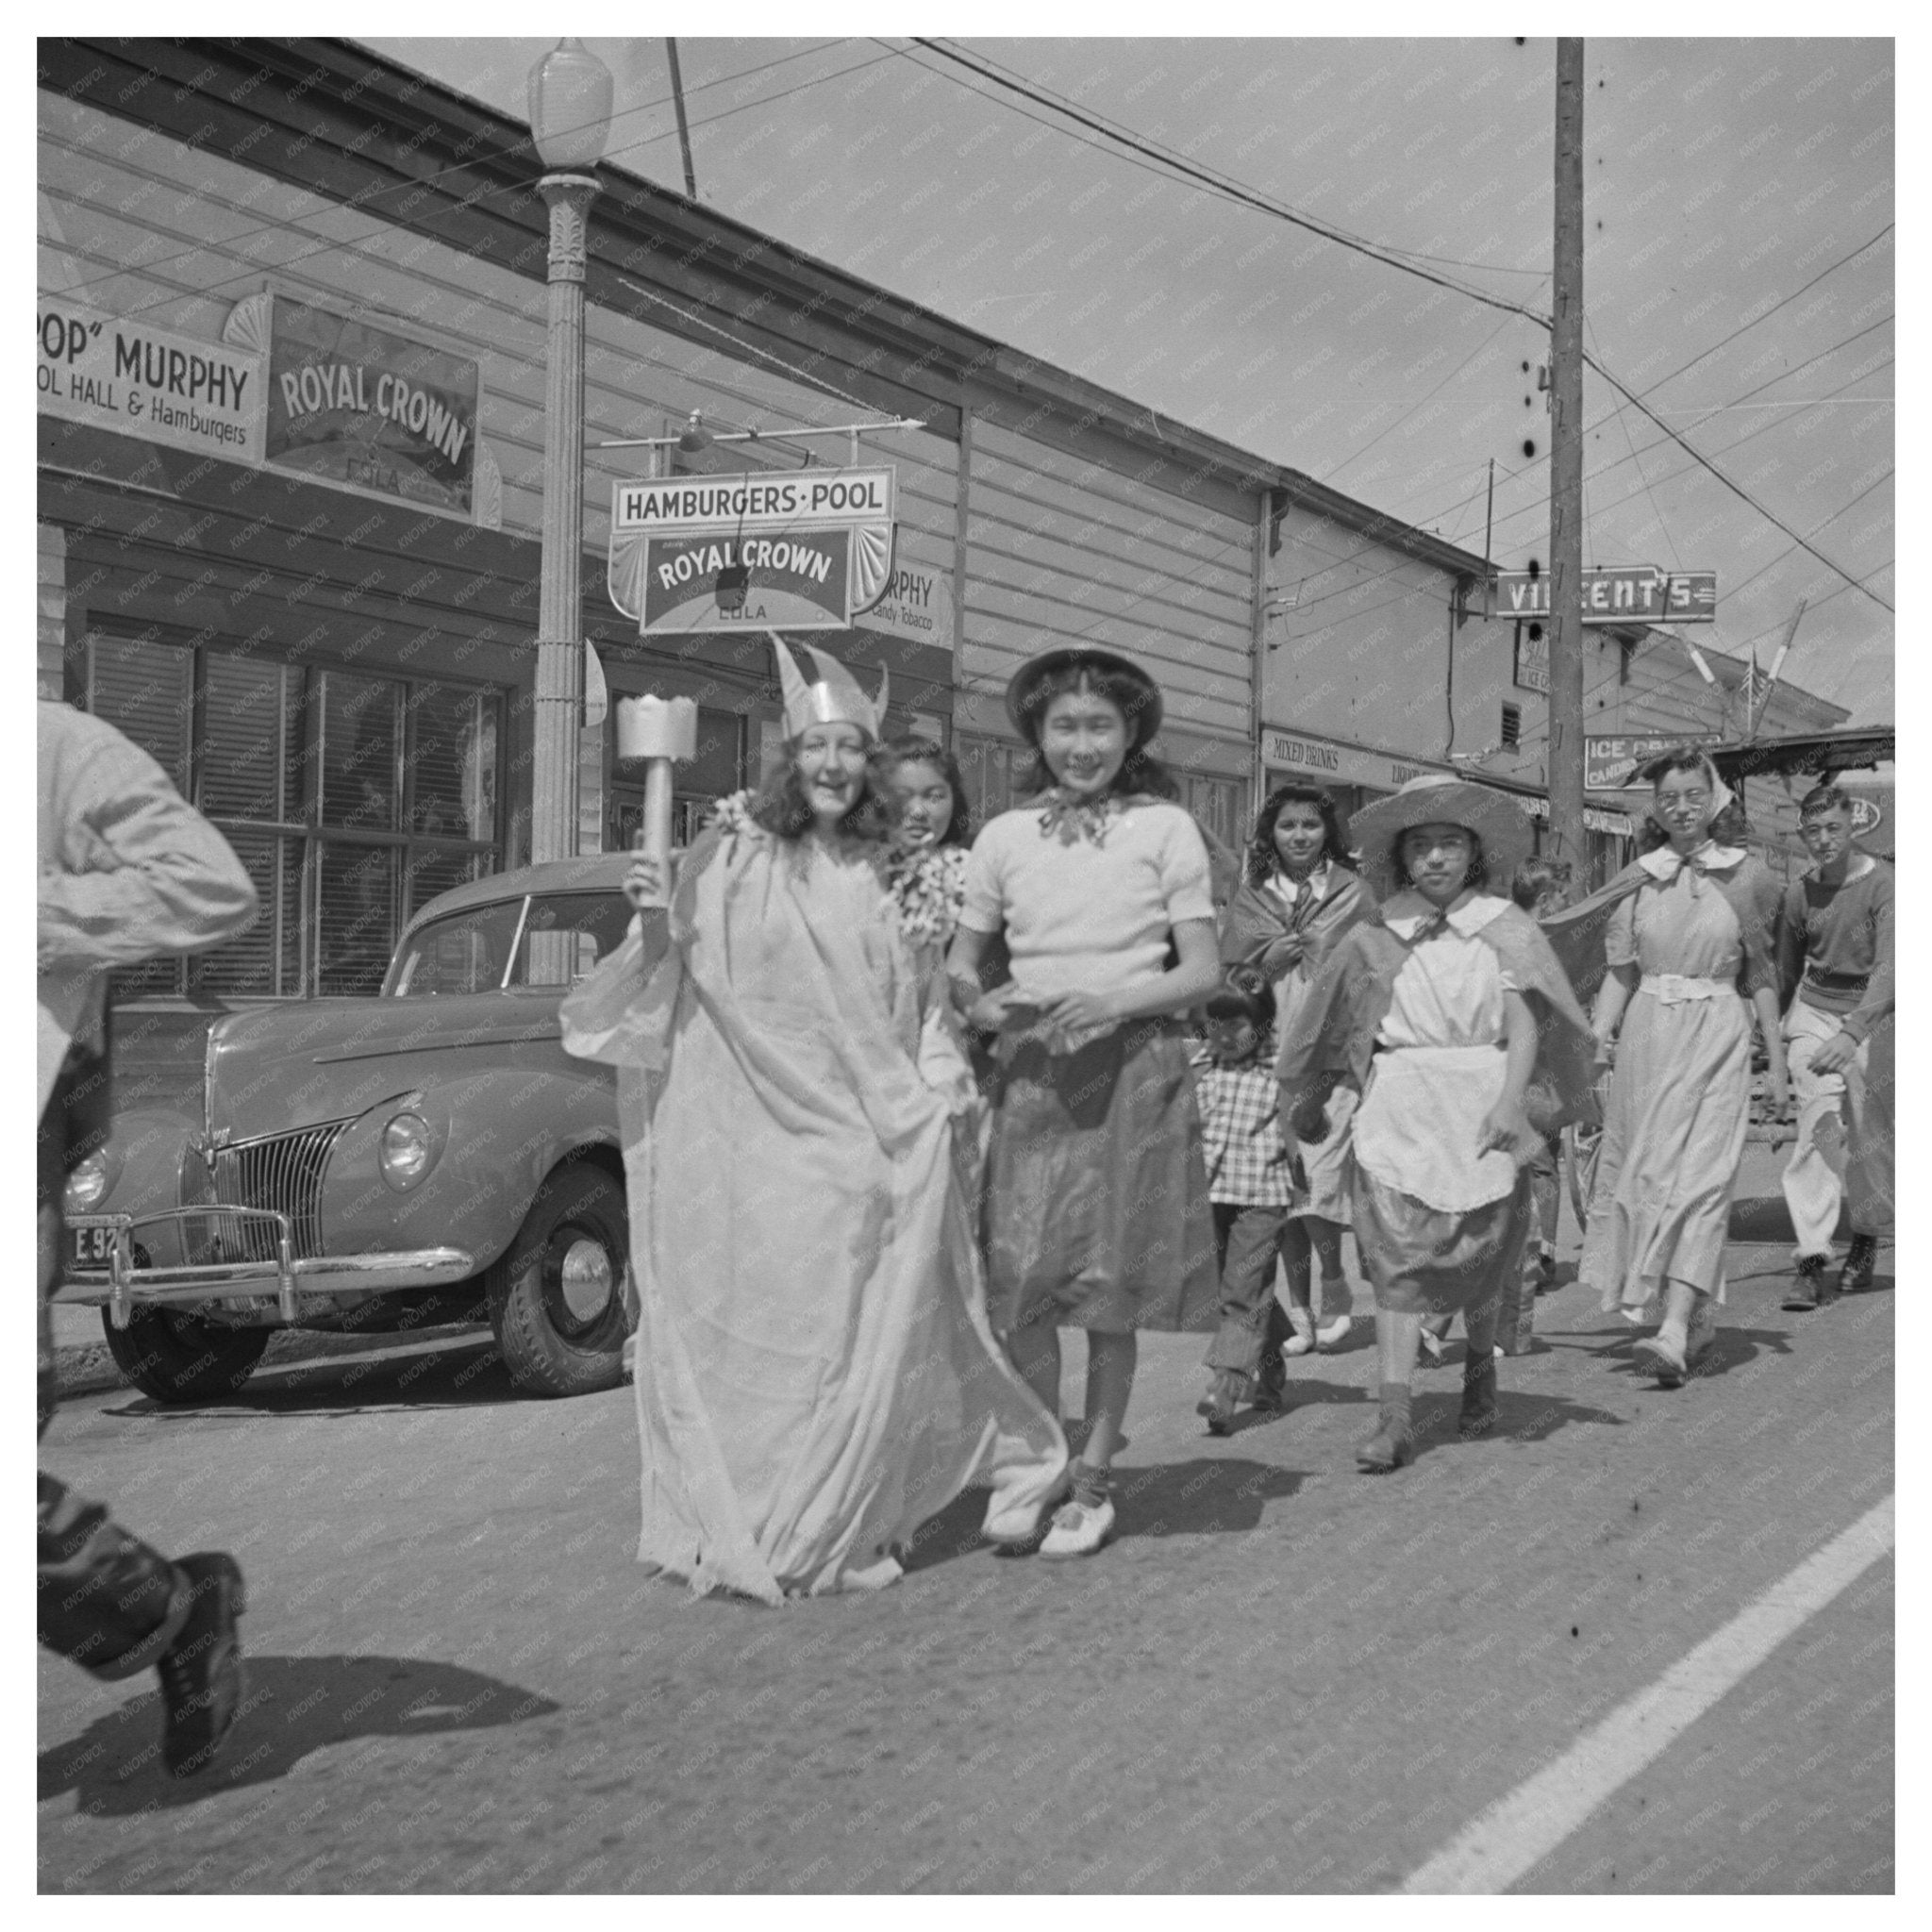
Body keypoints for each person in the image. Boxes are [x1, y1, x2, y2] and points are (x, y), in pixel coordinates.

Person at [559, 640, 1066, 1605]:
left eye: (849, 747)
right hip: (756, 1135)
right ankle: (764, 1512)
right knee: (775, 1330)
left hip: (868, 1132)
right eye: (816, 744)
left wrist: (937, 1080)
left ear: (867, 764)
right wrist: (655, 917)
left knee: (855, 1326)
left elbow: (922, 1005)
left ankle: (851, 1514)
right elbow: (672, 980)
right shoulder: (734, 848)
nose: (832, 762)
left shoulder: (897, 871)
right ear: (788, 757)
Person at [946, 646, 1222, 1557]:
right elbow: (960, 961)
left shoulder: (1167, 828)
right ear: (1037, 733)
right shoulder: (1003, 837)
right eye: (1064, 725)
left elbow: (1203, 972)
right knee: (1024, 1289)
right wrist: (983, 1004)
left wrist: (1109, 1001)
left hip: (1133, 1074)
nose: (1082, 743)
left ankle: (1094, 1481)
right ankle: (1041, 1462)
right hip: (1031, 1077)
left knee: (1107, 1290)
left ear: (1133, 731)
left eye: (1101, 725)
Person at [39, 698, 260, 1774]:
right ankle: (166, 1604)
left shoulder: (51, 748)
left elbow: (207, 880)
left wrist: (32, 909)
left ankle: (168, 1608)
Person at [1277, 774, 1595, 1473]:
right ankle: (1394, 1415)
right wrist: (1310, 1096)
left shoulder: (1506, 929)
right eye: (1421, 846)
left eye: (1449, 844)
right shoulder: (1374, 934)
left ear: (1473, 853)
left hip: (1483, 1095)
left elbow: (1525, 1024)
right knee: (1396, 1259)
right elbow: (1335, 1023)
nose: (1435, 859)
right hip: (1400, 1101)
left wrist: (1512, 1105)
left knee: (1479, 1251)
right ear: (1402, 857)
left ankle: (1479, 1368)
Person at [1579, 749, 1788, 1387]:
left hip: (1719, 1032)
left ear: (1715, 798)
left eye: (1692, 794)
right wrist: (1598, 1037)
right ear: (1656, 807)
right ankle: (1690, 1316)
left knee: (1701, 1180)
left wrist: (1776, 1063)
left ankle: (1672, 1329)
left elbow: (1761, 975)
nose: (1681, 808)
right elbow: (1621, 972)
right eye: (1669, 798)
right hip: (1649, 1036)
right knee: (1649, 1176)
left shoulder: (1750, 877)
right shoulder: (1638, 877)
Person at [1221, 783, 1377, 1355]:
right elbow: (1229, 984)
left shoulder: (1354, 894)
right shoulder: (1253, 898)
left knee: (1323, 1182)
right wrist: (1268, 960)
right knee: (1280, 1193)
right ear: (1271, 834)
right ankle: (1301, 1310)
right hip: (1267, 1055)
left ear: (1326, 832)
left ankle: (1336, 1287)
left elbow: (1373, 971)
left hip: (1330, 1056)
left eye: (1310, 825)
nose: (1299, 836)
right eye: (1288, 826)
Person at [1775, 784, 1894, 1308]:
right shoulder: (1799, 892)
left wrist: (1854, 1034)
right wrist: (1769, 1034)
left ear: (1852, 830)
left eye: (1834, 830)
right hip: (1815, 1012)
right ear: (1802, 834)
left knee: (1870, 1132)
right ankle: (1810, 1258)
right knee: (1819, 1124)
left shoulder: (1886, 885)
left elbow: (1893, 969)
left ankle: (1866, 1235)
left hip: (1876, 1014)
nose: (1824, 841)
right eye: (1814, 831)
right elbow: (1785, 969)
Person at [1193, 969, 1297, 1435]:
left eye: (1237, 1023)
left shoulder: (1283, 1063)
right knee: (1237, 1288)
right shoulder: (1201, 1063)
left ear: (1263, 1022)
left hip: (1263, 1194)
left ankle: (1225, 1386)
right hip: (1212, 1193)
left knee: (1242, 1291)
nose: (1225, 1034)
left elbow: (1305, 1115)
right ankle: (1271, 1356)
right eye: (1215, 1023)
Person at [1510, 856, 1578, 1317]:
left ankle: (1539, 1251)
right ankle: (1534, 1251)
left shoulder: (1527, 935)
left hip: (1545, 1061)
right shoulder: (1527, 939)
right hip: (1524, 1060)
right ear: (1546, 897)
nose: (1567, 902)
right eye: (1563, 894)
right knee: (1536, 1160)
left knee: (1541, 1158)